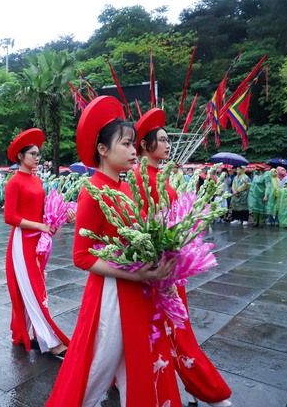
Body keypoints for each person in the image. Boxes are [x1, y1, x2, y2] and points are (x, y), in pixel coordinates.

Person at [47, 97, 181, 407]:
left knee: (138, 365)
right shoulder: (92, 191)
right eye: (126, 144)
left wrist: (159, 269)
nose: (135, 150)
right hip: (111, 295)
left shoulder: (125, 188)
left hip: (137, 289)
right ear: (103, 150)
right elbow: (81, 257)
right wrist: (132, 273)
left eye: (135, 144)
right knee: (96, 368)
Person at [132, 108, 232, 407]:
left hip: (169, 266)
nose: (167, 145)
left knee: (170, 331)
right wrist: (165, 274)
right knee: (176, 332)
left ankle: (192, 386)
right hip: (160, 271)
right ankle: (204, 388)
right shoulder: (142, 178)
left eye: (167, 140)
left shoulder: (157, 175)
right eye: (161, 140)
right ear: (145, 145)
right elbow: (147, 229)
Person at [4, 128, 70, 358]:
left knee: (37, 286)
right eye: (32, 154)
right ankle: (49, 340)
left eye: (38, 154)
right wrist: (40, 226)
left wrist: (59, 215)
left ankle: (26, 332)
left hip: (38, 241)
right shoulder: (14, 182)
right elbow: (9, 217)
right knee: (32, 288)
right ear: (20, 157)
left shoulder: (36, 180)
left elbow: (41, 210)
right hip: (22, 242)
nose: (36, 157)